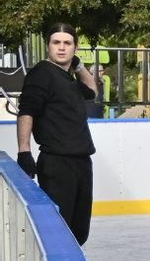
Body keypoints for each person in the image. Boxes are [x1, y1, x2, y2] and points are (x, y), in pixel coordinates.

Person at [15, 23, 98, 244]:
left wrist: (79, 67)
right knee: (60, 232)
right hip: (57, 163)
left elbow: (92, 92)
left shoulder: (68, 77)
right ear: (48, 46)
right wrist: (24, 151)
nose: (61, 48)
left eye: (67, 43)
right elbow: (27, 111)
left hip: (81, 161)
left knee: (79, 232)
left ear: (75, 47)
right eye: (56, 42)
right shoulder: (41, 74)